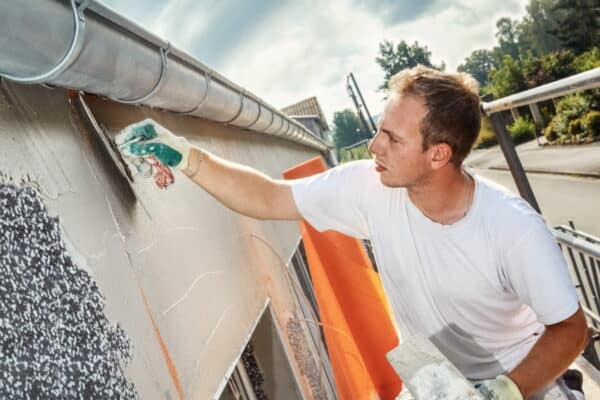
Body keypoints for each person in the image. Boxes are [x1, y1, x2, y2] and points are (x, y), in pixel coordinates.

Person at [116, 66, 589, 400]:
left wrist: (504, 392)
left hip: (524, 380)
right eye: (380, 129)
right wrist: (187, 156)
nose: (374, 145)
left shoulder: (512, 229)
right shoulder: (369, 185)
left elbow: (571, 331)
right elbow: (268, 197)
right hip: (437, 379)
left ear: (439, 155)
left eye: (393, 139)